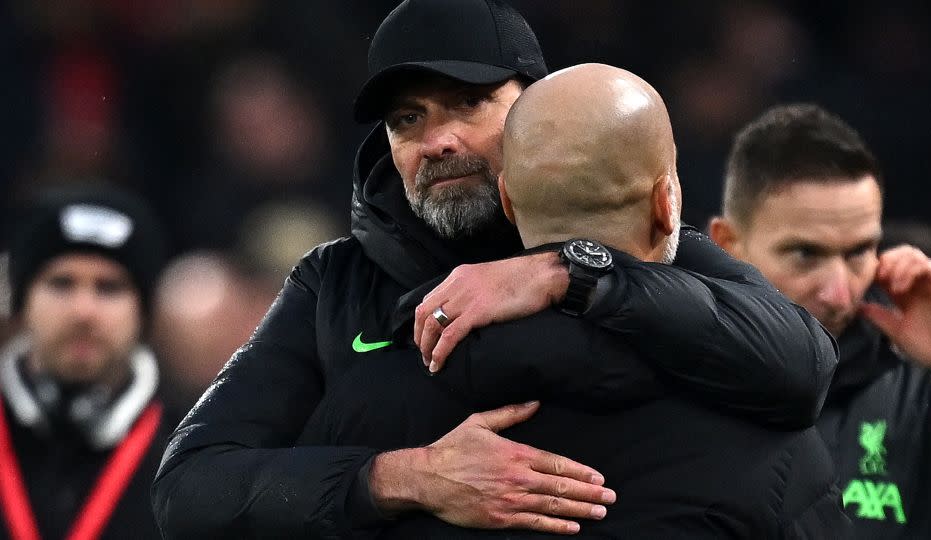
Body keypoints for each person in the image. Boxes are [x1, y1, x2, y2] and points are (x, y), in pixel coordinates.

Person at [152, 1, 840, 537]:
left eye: (468, 102)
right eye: (407, 119)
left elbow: (801, 362)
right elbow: (189, 490)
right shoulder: (336, 285)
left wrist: (572, 271)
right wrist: (405, 478)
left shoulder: (640, 245)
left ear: (536, 108)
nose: (437, 140)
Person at [297, 62, 850, 538]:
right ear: (667, 202)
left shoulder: (368, 412)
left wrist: (401, 479)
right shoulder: (772, 437)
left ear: (508, 202)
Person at [708, 103, 931, 538]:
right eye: (806, 254)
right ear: (728, 244)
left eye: (859, 251)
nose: (840, 293)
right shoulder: (673, 382)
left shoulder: (927, 394)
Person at [0, 186, 172, 539]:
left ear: (144, 312)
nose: (83, 312)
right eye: (61, 284)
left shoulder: (197, 453)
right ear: (21, 302)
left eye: (109, 287)